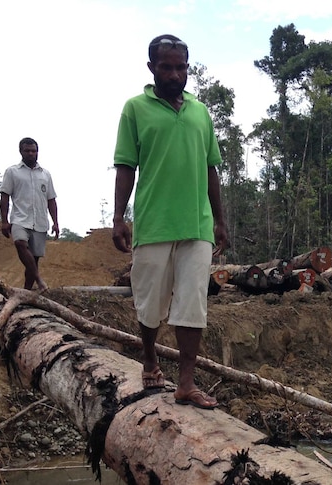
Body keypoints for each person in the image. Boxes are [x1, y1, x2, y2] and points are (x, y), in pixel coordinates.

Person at [112, 34, 229, 410]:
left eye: (181, 67)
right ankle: (149, 356)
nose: (175, 74)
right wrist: (118, 217)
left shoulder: (200, 112)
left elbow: (211, 168)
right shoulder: (135, 109)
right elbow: (126, 166)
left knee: (192, 304)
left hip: (197, 224)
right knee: (150, 303)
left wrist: (220, 219)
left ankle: (186, 383)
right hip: (154, 223)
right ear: (152, 68)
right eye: (167, 66)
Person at [0, 137, 59, 291]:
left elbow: (51, 199)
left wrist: (56, 222)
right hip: (19, 219)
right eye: (27, 151)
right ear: (21, 152)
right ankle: (39, 279)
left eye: (34, 151)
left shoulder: (45, 174)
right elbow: (4, 197)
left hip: (40, 221)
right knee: (20, 243)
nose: (31, 153)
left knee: (34, 260)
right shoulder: (12, 172)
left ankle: (26, 292)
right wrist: (4, 221)